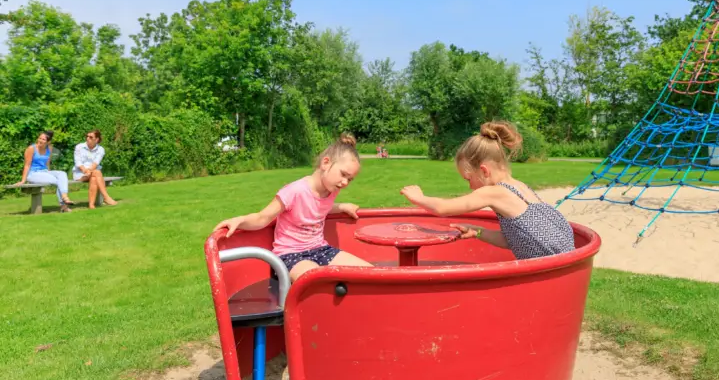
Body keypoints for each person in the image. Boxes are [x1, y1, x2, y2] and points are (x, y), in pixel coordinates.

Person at [400, 121, 575, 260]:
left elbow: (444, 208)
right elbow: (515, 241)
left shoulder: (495, 191)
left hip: (548, 271)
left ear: (484, 171)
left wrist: (419, 198)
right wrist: (477, 232)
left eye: (469, 179)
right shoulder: (522, 188)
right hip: (567, 264)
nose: (470, 186)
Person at [214, 133, 372, 280]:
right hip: (291, 256)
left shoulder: (331, 190)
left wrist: (342, 206)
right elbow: (263, 217)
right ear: (326, 163)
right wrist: (239, 220)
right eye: (343, 174)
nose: (345, 183)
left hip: (321, 250)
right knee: (317, 280)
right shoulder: (294, 191)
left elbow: (317, 208)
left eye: (350, 179)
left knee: (369, 273)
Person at [13, 130, 76, 212]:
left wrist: (50, 173)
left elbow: (47, 163)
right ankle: (64, 204)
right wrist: (23, 180)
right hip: (33, 174)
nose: (40, 141)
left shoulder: (49, 148)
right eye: (39, 138)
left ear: (48, 142)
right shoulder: (31, 149)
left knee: (62, 174)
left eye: (43, 139)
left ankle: (64, 198)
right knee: (57, 181)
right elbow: (27, 165)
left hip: (45, 172)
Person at [73, 129, 118, 208]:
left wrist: (90, 171)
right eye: (87, 136)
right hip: (80, 173)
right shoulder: (79, 147)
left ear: (96, 139)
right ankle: (106, 197)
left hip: (93, 172)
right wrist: (86, 171)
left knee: (94, 177)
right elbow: (78, 162)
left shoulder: (101, 150)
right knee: (97, 172)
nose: (88, 138)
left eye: (91, 137)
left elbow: (95, 163)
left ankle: (91, 205)